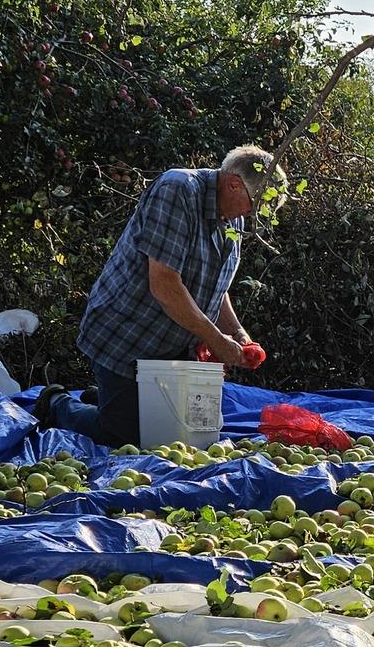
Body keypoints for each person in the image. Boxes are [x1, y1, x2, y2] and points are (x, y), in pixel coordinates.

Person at [35, 145, 287, 445]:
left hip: (172, 346)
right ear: (233, 183)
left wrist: (237, 332)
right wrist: (217, 339)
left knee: (176, 432)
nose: (254, 213)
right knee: (123, 436)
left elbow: (215, 287)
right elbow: (165, 285)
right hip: (127, 333)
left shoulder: (234, 220)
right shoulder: (178, 191)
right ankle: (56, 402)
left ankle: (106, 399)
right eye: (255, 204)